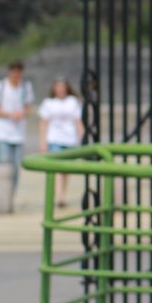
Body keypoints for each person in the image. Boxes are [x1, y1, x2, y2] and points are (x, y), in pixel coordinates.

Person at [0, 62, 33, 206]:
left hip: (19, 134)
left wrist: (22, 114)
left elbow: (27, 107)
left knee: (15, 167)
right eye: (13, 72)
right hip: (3, 132)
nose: (16, 75)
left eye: (18, 72)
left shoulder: (25, 87)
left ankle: (10, 196)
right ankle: (2, 195)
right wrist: (10, 115)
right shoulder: (0, 86)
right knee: (4, 163)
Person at [39, 78, 87, 208]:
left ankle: (62, 194)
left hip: (70, 139)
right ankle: (59, 195)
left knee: (65, 170)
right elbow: (44, 123)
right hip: (54, 138)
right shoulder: (48, 103)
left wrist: (83, 136)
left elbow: (78, 121)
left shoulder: (72, 102)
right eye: (58, 87)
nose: (60, 89)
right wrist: (42, 141)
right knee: (58, 169)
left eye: (62, 87)